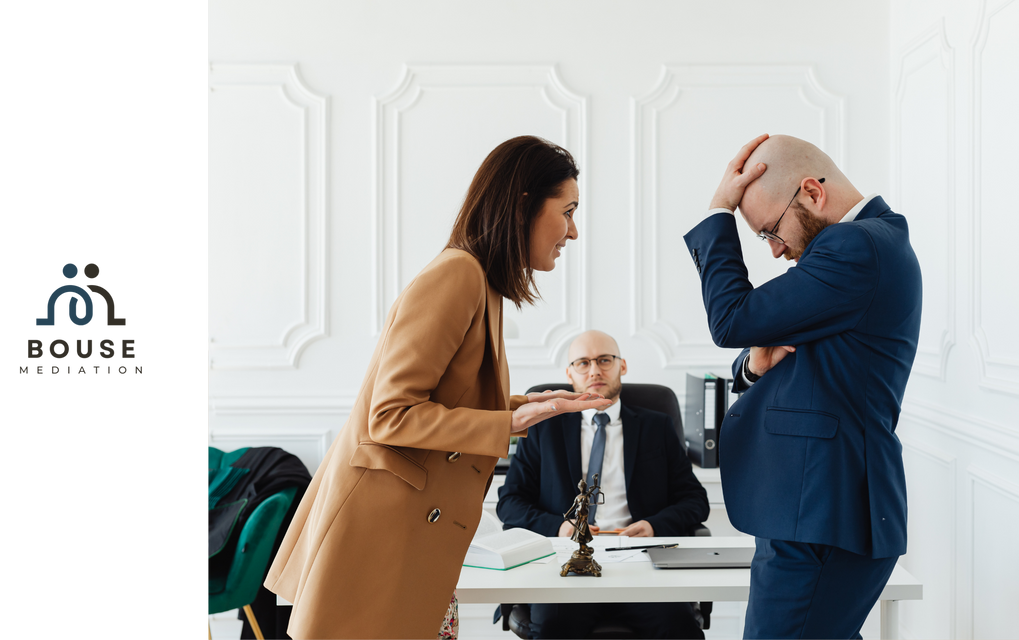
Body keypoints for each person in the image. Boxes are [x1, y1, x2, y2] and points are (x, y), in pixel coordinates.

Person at [265, 135, 614, 639]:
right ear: (523, 206)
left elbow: (441, 400)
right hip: (381, 542)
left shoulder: (482, 282)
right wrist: (508, 421)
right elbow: (389, 414)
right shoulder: (458, 275)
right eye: (568, 211)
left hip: (409, 538)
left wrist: (523, 407)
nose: (573, 231)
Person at [682, 134, 922, 639]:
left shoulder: (855, 246)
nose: (775, 251)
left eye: (771, 231)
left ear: (812, 192)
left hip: (821, 516)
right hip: (815, 511)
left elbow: (733, 318)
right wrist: (754, 368)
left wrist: (719, 210)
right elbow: (776, 350)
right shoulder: (864, 250)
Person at [496, 329, 709, 639]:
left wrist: (654, 525)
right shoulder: (544, 429)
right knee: (554, 627)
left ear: (622, 365)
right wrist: (561, 527)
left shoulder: (656, 426)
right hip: (566, 564)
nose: (594, 370)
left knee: (678, 627)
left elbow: (695, 500)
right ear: (569, 374)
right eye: (583, 363)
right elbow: (510, 503)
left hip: (640, 563)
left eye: (604, 360)